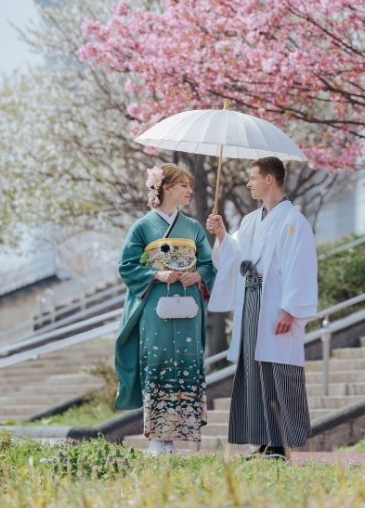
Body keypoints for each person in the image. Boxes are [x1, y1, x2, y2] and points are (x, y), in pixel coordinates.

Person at [206, 156, 318, 459]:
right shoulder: (251, 220)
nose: (248, 183)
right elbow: (236, 253)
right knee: (253, 372)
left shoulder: (294, 222)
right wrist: (220, 235)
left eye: (253, 177)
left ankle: (280, 445)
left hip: (276, 305)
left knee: (278, 372)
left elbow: (301, 267)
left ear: (270, 179)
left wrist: (291, 310)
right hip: (252, 301)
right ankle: (264, 443)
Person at [114, 163, 216, 455]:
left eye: (189, 186)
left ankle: (183, 430)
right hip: (156, 306)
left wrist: (196, 275)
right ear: (167, 187)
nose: (189, 191)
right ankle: (158, 438)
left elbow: (208, 265)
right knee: (156, 364)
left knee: (187, 362)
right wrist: (156, 274)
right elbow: (127, 265)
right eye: (184, 186)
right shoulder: (143, 227)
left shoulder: (194, 227)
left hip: (187, 307)